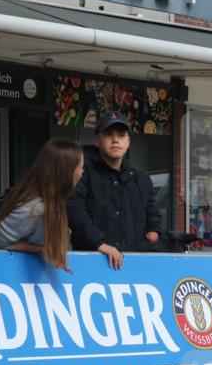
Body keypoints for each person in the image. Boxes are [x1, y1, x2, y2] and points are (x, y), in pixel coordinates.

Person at [67, 111, 162, 270]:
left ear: (128, 141)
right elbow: (73, 208)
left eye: (121, 135)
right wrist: (99, 244)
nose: (115, 140)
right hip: (92, 263)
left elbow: (152, 211)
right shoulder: (81, 171)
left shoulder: (141, 178)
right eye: (108, 134)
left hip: (134, 265)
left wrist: (154, 232)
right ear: (96, 140)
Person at [0, 140, 84, 271]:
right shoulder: (35, 207)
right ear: (66, 171)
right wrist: (42, 250)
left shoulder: (53, 201)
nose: (82, 172)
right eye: (80, 167)